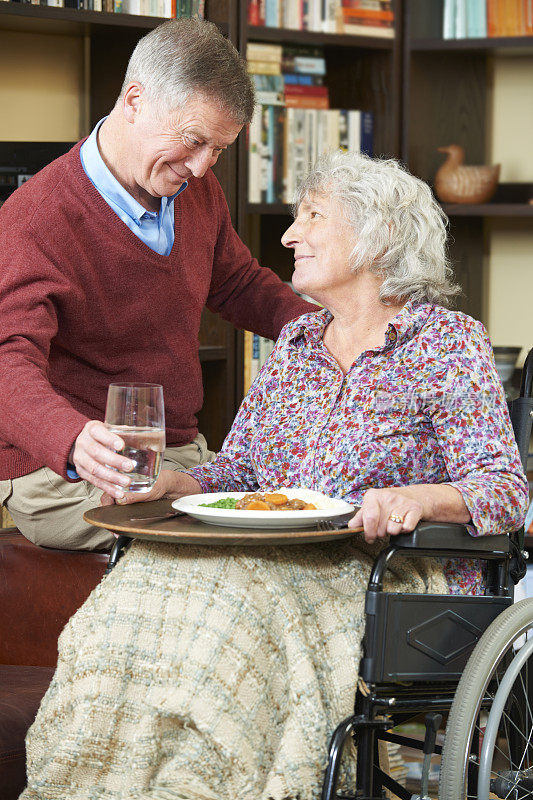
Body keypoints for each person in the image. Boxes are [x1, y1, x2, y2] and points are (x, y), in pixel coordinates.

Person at [21, 152, 528, 800]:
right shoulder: (293, 345)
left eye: (311, 216)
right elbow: (240, 469)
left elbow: (504, 490)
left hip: (381, 567)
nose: (288, 236)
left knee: (229, 619)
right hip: (265, 551)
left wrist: (417, 499)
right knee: (131, 592)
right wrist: (171, 485)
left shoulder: (445, 344)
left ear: (378, 235)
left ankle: (204, 787)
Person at [0, 18, 311, 552]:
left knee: (297, 517)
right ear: (135, 99)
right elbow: (7, 361)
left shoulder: (198, 190)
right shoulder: (34, 218)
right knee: (217, 545)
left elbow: (236, 283)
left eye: (218, 149)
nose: (200, 167)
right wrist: (71, 440)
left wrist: (332, 325)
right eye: (193, 142)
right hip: (67, 475)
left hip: (180, 457)